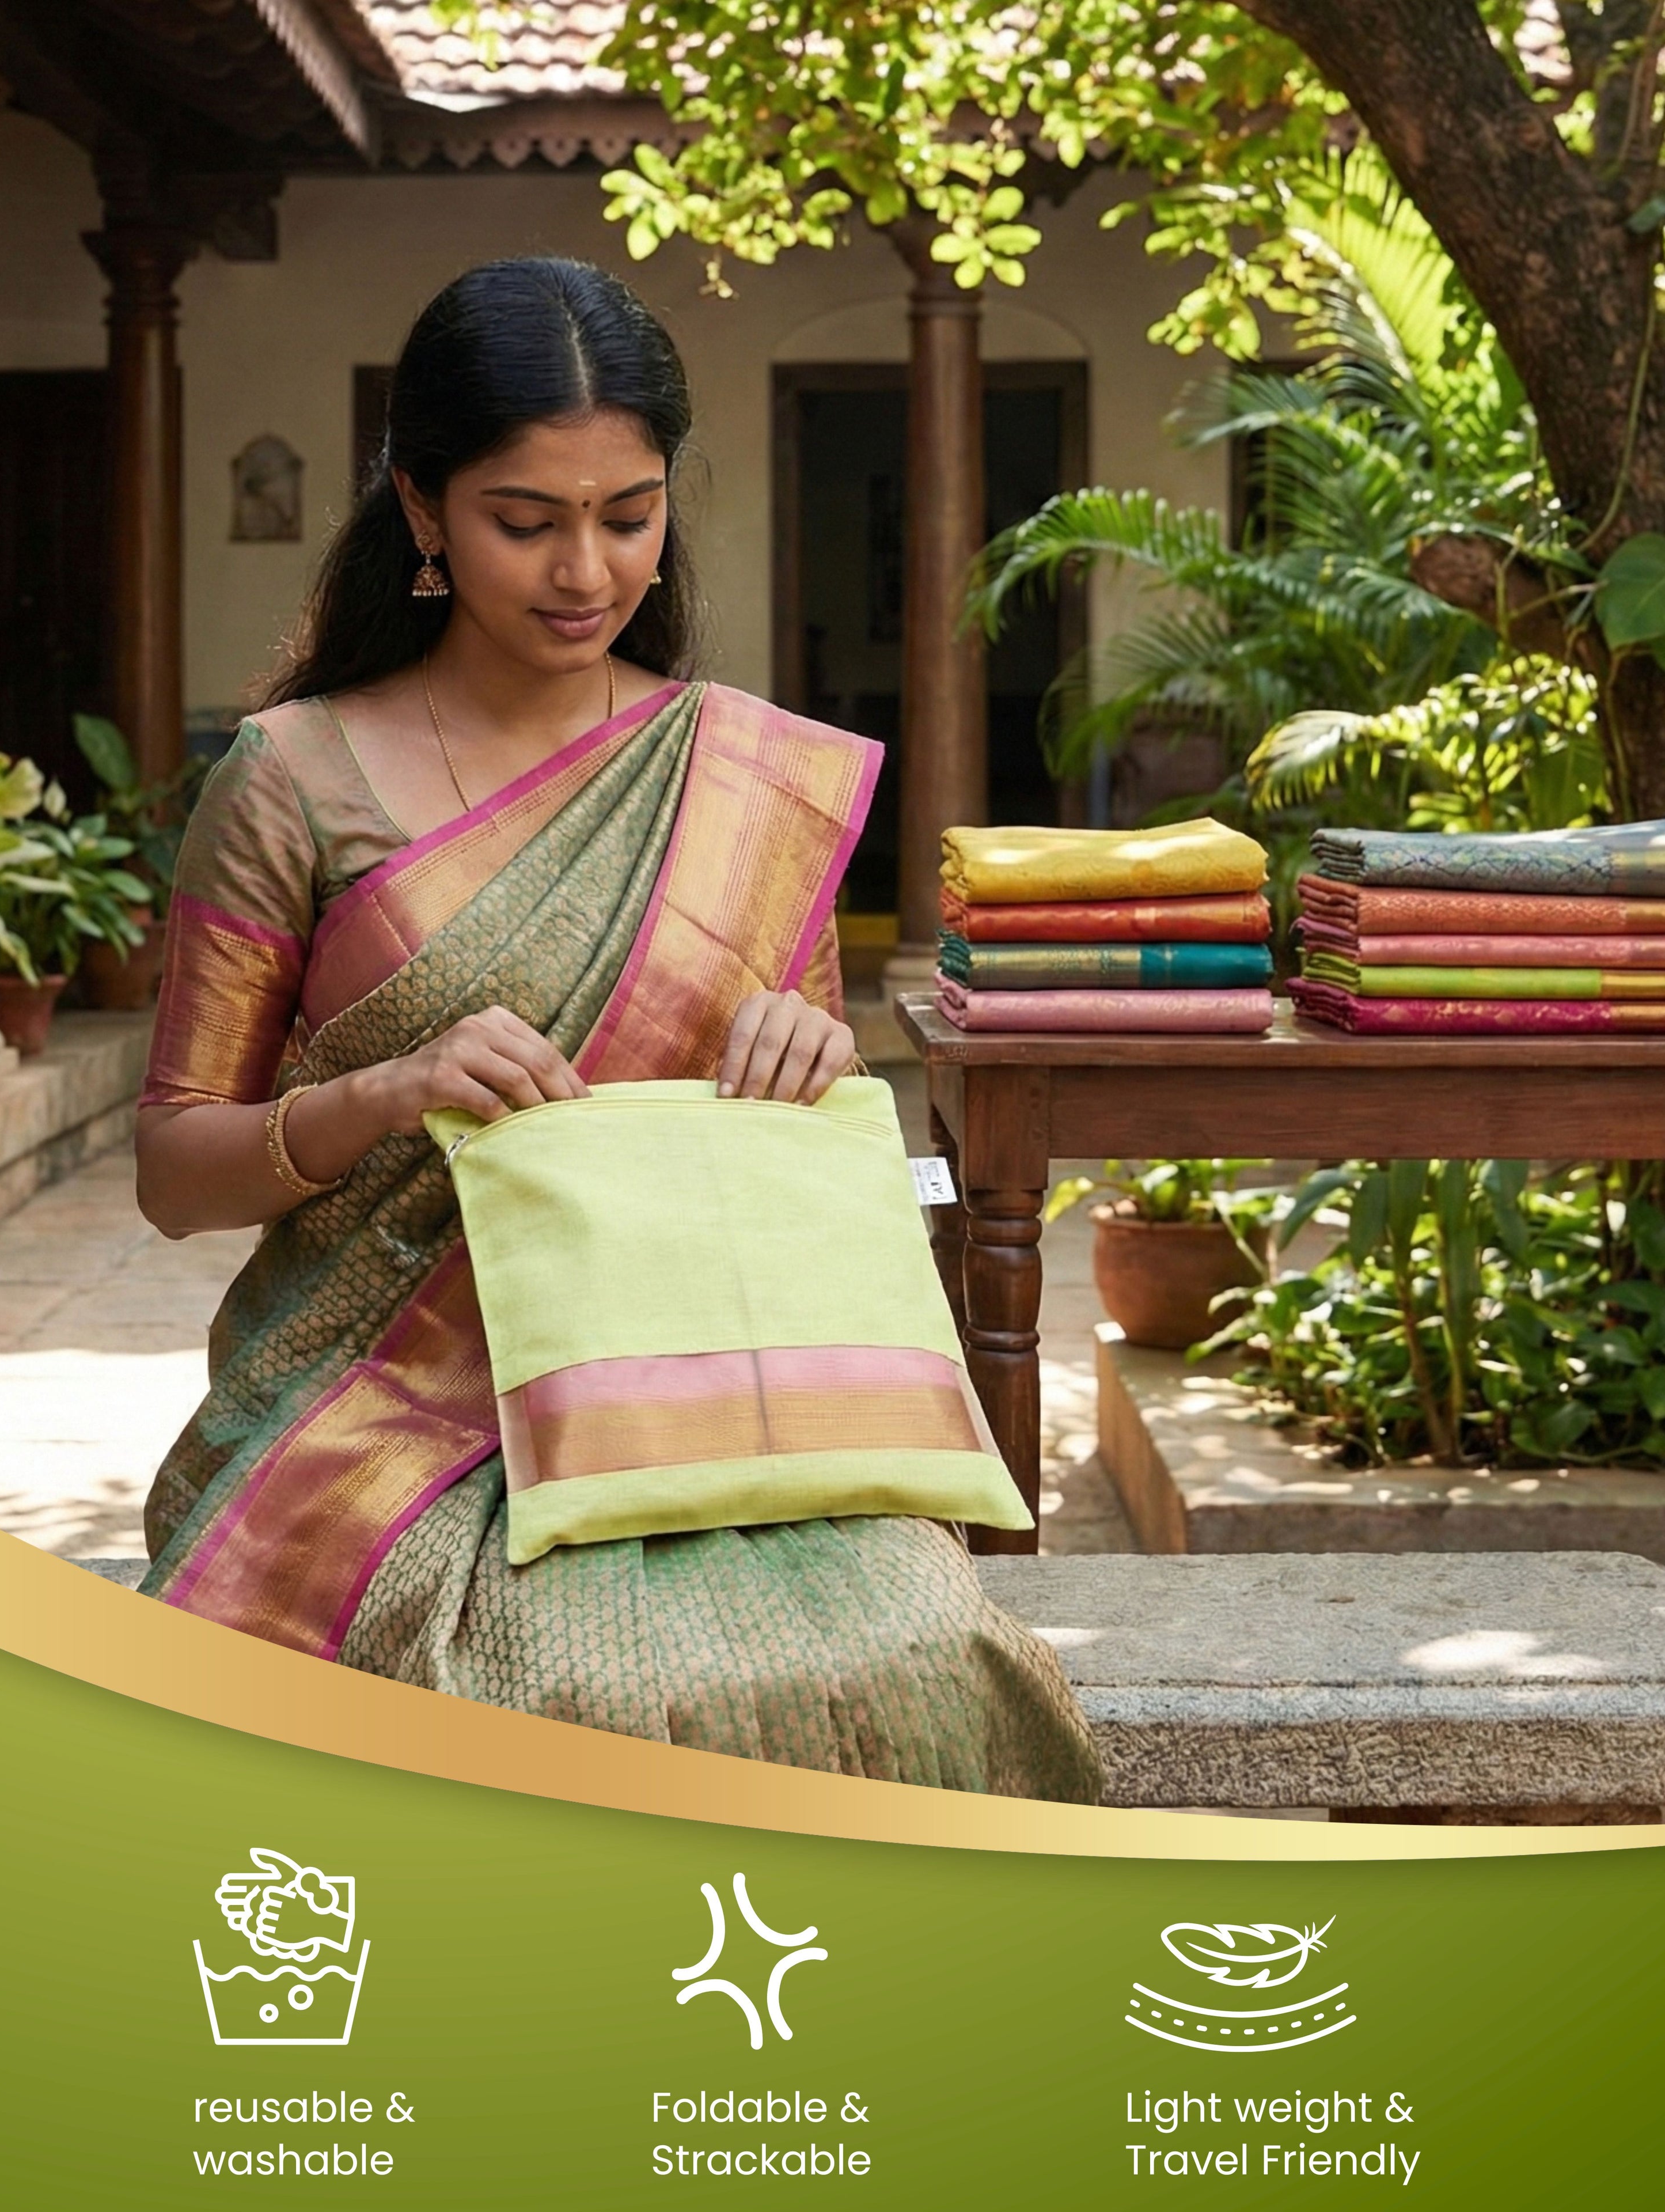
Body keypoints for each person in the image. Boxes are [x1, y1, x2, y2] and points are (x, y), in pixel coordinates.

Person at [134, 257, 1098, 1800]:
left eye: (628, 513)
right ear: (425, 508)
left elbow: (766, 1129)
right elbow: (178, 1172)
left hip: (702, 1399)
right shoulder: (293, 779)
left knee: (925, 1652)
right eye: (528, 520)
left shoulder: (735, 776)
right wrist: (383, 1094)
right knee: (543, 1687)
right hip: (378, 1412)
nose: (586, 570)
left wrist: (811, 1060)